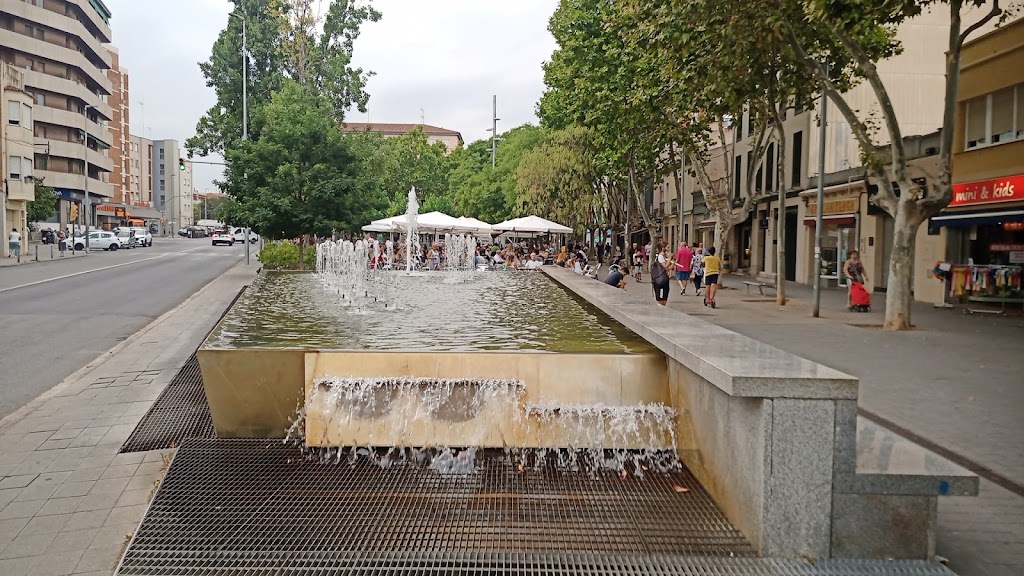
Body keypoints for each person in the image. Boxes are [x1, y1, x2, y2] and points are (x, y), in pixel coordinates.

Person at [650, 242, 672, 306]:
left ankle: (662, 305)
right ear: (663, 248)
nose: (669, 249)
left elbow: (667, 268)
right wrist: (670, 258)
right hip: (660, 278)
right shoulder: (660, 256)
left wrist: (673, 264)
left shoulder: (662, 256)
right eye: (667, 247)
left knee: (665, 294)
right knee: (660, 296)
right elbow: (665, 266)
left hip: (663, 277)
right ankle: (661, 305)